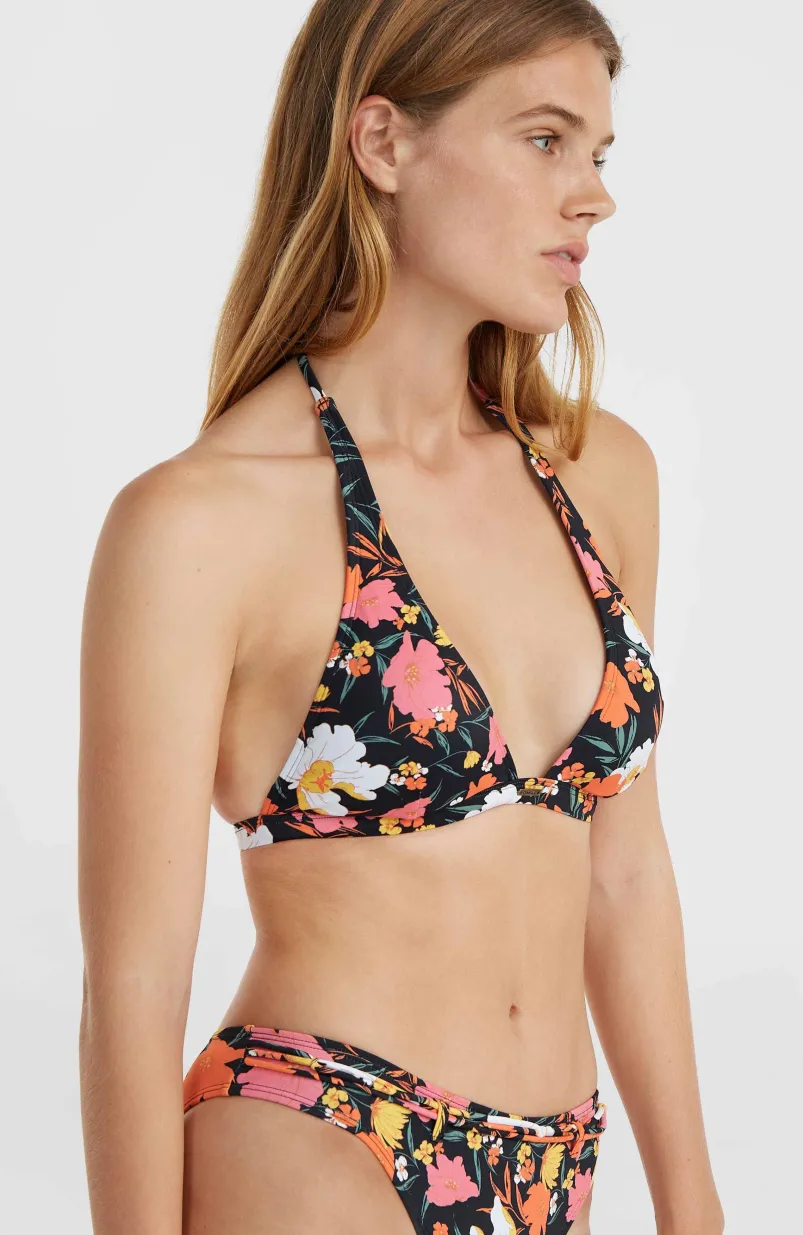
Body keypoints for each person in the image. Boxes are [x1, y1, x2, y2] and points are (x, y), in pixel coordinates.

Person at [77, 2, 724, 1233]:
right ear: (382, 141)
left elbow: (626, 872)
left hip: (558, 1166)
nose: (591, 196)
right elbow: (132, 983)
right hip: (320, 1136)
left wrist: (691, 1199)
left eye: (596, 152)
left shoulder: (598, 477)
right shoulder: (200, 522)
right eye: (543, 139)